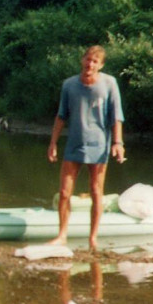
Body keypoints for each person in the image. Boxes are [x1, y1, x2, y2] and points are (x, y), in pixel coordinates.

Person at [47, 45, 125, 250]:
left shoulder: (109, 83)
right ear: (82, 60)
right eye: (88, 59)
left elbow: (116, 116)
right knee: (64, 192)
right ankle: (62, 235)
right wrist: (53, 142)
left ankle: (92, 239)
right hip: (74, 144)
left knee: (96, 192)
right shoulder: (69, 85)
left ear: (101, 65)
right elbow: (61, 115)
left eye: (95, 61)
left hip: (99, 145)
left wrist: (118, 143)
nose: (90, 64)